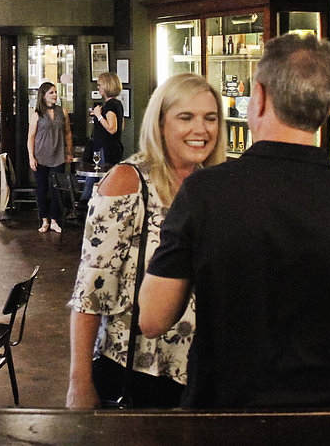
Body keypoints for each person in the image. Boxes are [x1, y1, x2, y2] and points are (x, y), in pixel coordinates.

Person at [139, 33, 330, 409]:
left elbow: (153, 317)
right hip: (325, 421)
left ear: (258, 96)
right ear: (325, 108)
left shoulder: (204, 194)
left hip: (222, 416)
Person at [67, 73, 227, 409]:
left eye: (210, 118)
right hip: (137, 372)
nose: (201, 129)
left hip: (201, 374)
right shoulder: (129, 181)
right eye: (186, 117)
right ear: (160, 122)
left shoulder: (211, 186)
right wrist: (79, 383)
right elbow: (90, 293)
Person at [28, 81, 73, 234]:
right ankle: (44, 220)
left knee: (56, 189)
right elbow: (31, 137)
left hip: (58, 155)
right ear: (43, 95)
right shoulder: (37, 114)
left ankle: (54, 220)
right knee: (42, 189)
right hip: (41, 156)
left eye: (55, 92)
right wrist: (31, 157)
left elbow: (67, 133)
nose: (55, 95)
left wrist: (68, 152)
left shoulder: (63, 112)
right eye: (51, 93)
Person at [81, 71, 124, 200]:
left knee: (93, 179)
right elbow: (121, 126)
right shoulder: (118, 104)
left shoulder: (110, 105)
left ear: (107, 86)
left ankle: (83, 208)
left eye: (100, 85)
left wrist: (99, 115)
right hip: (112, 148)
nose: (98, 87)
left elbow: (112, 128)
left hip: (105, 149)